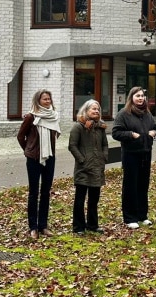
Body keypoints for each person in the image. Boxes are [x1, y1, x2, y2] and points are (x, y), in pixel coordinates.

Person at [111, 86, 156, 229]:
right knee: (131, 186)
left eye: (142, 96)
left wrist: (154, 132)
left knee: (143, 185)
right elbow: (116, 132)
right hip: (130, 154)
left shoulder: (147, 113)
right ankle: (129, 217)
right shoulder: (124, 114)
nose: (140, 98)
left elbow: (155, 127)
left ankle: (142, 215)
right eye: (137, 96)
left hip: (145, 153)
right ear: (131, 97)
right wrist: (131, 134)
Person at [17, 89, 61, 239]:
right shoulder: (31, 117)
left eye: (49, 99)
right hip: (34, 159)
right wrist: (28, 150)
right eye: (44, 99)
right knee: (33, 192)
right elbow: (20, 136)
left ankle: (43, 225)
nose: (48, 101)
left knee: (46, 192)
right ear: (38, 101)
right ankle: (33, 227)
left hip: (49, 157)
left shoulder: (53, 116)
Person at [68, 99, 109, 234]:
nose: (96, 111)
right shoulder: (78, 127)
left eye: (98, 109)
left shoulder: (100, 127)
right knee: (80, 199)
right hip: (83, 168)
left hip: (97, 167)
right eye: (93, 109)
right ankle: (78, 227)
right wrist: (82, 160)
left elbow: (105, 144)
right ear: (86, 111)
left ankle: (92, 224)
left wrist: (104, 157)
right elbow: (72, 146)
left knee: (94, 199)